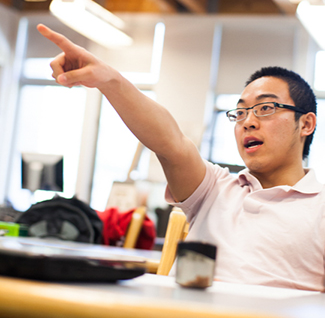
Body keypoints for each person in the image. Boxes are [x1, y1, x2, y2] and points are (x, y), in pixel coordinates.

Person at [37, 24, 324, 291]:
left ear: (306, 124)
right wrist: (109, 80)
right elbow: (170, 143)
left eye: (265, 108)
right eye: (240, 112)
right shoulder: (215, 188)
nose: (248, 121)